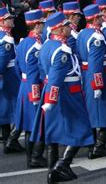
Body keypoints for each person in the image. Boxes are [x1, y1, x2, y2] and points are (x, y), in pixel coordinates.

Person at [30, 12, 94, 183]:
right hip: (66, 92)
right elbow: (56, 77)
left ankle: (53, 171)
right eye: (66, 26)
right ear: (59, 29)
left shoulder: (46, 45)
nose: (69, 27)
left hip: (53, 91)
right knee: (82, 128)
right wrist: (51, 100)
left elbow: (43, 71)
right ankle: (62, 164)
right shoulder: (62, 49)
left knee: (52, 132)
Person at [76, 4, 106, 160]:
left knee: (92, 110)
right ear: (94, 18)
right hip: (99, 75)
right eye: (99, 16)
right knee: (104, 111)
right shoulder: (96, 37)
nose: (102, 18)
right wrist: (97, 84)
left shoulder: (83, 33)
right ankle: (98, 145)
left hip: (87, 75)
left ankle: (93, 145)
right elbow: (96, 63)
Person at [13, 10, 47, 167]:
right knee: (37, 124)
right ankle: (35, 157)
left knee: (28, 125)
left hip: (24, 85)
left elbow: (17, 68)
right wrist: (35, 94)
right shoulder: (35, 46)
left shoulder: (23, 43)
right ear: (37, 25)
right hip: (34, 87)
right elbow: (34, 72)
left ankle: (31, 158)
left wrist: (25, 83)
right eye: (42, 24)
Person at [0, 7, 23, 154]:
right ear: (2, 21)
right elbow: (2, 61)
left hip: (7, 76)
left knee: (6, 109)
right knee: (16, 108)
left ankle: (8, 139)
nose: (12, 20)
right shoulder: (6, 39)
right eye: (9, 19)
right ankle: (10, 140)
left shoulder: (5, 35)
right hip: (9, 77)